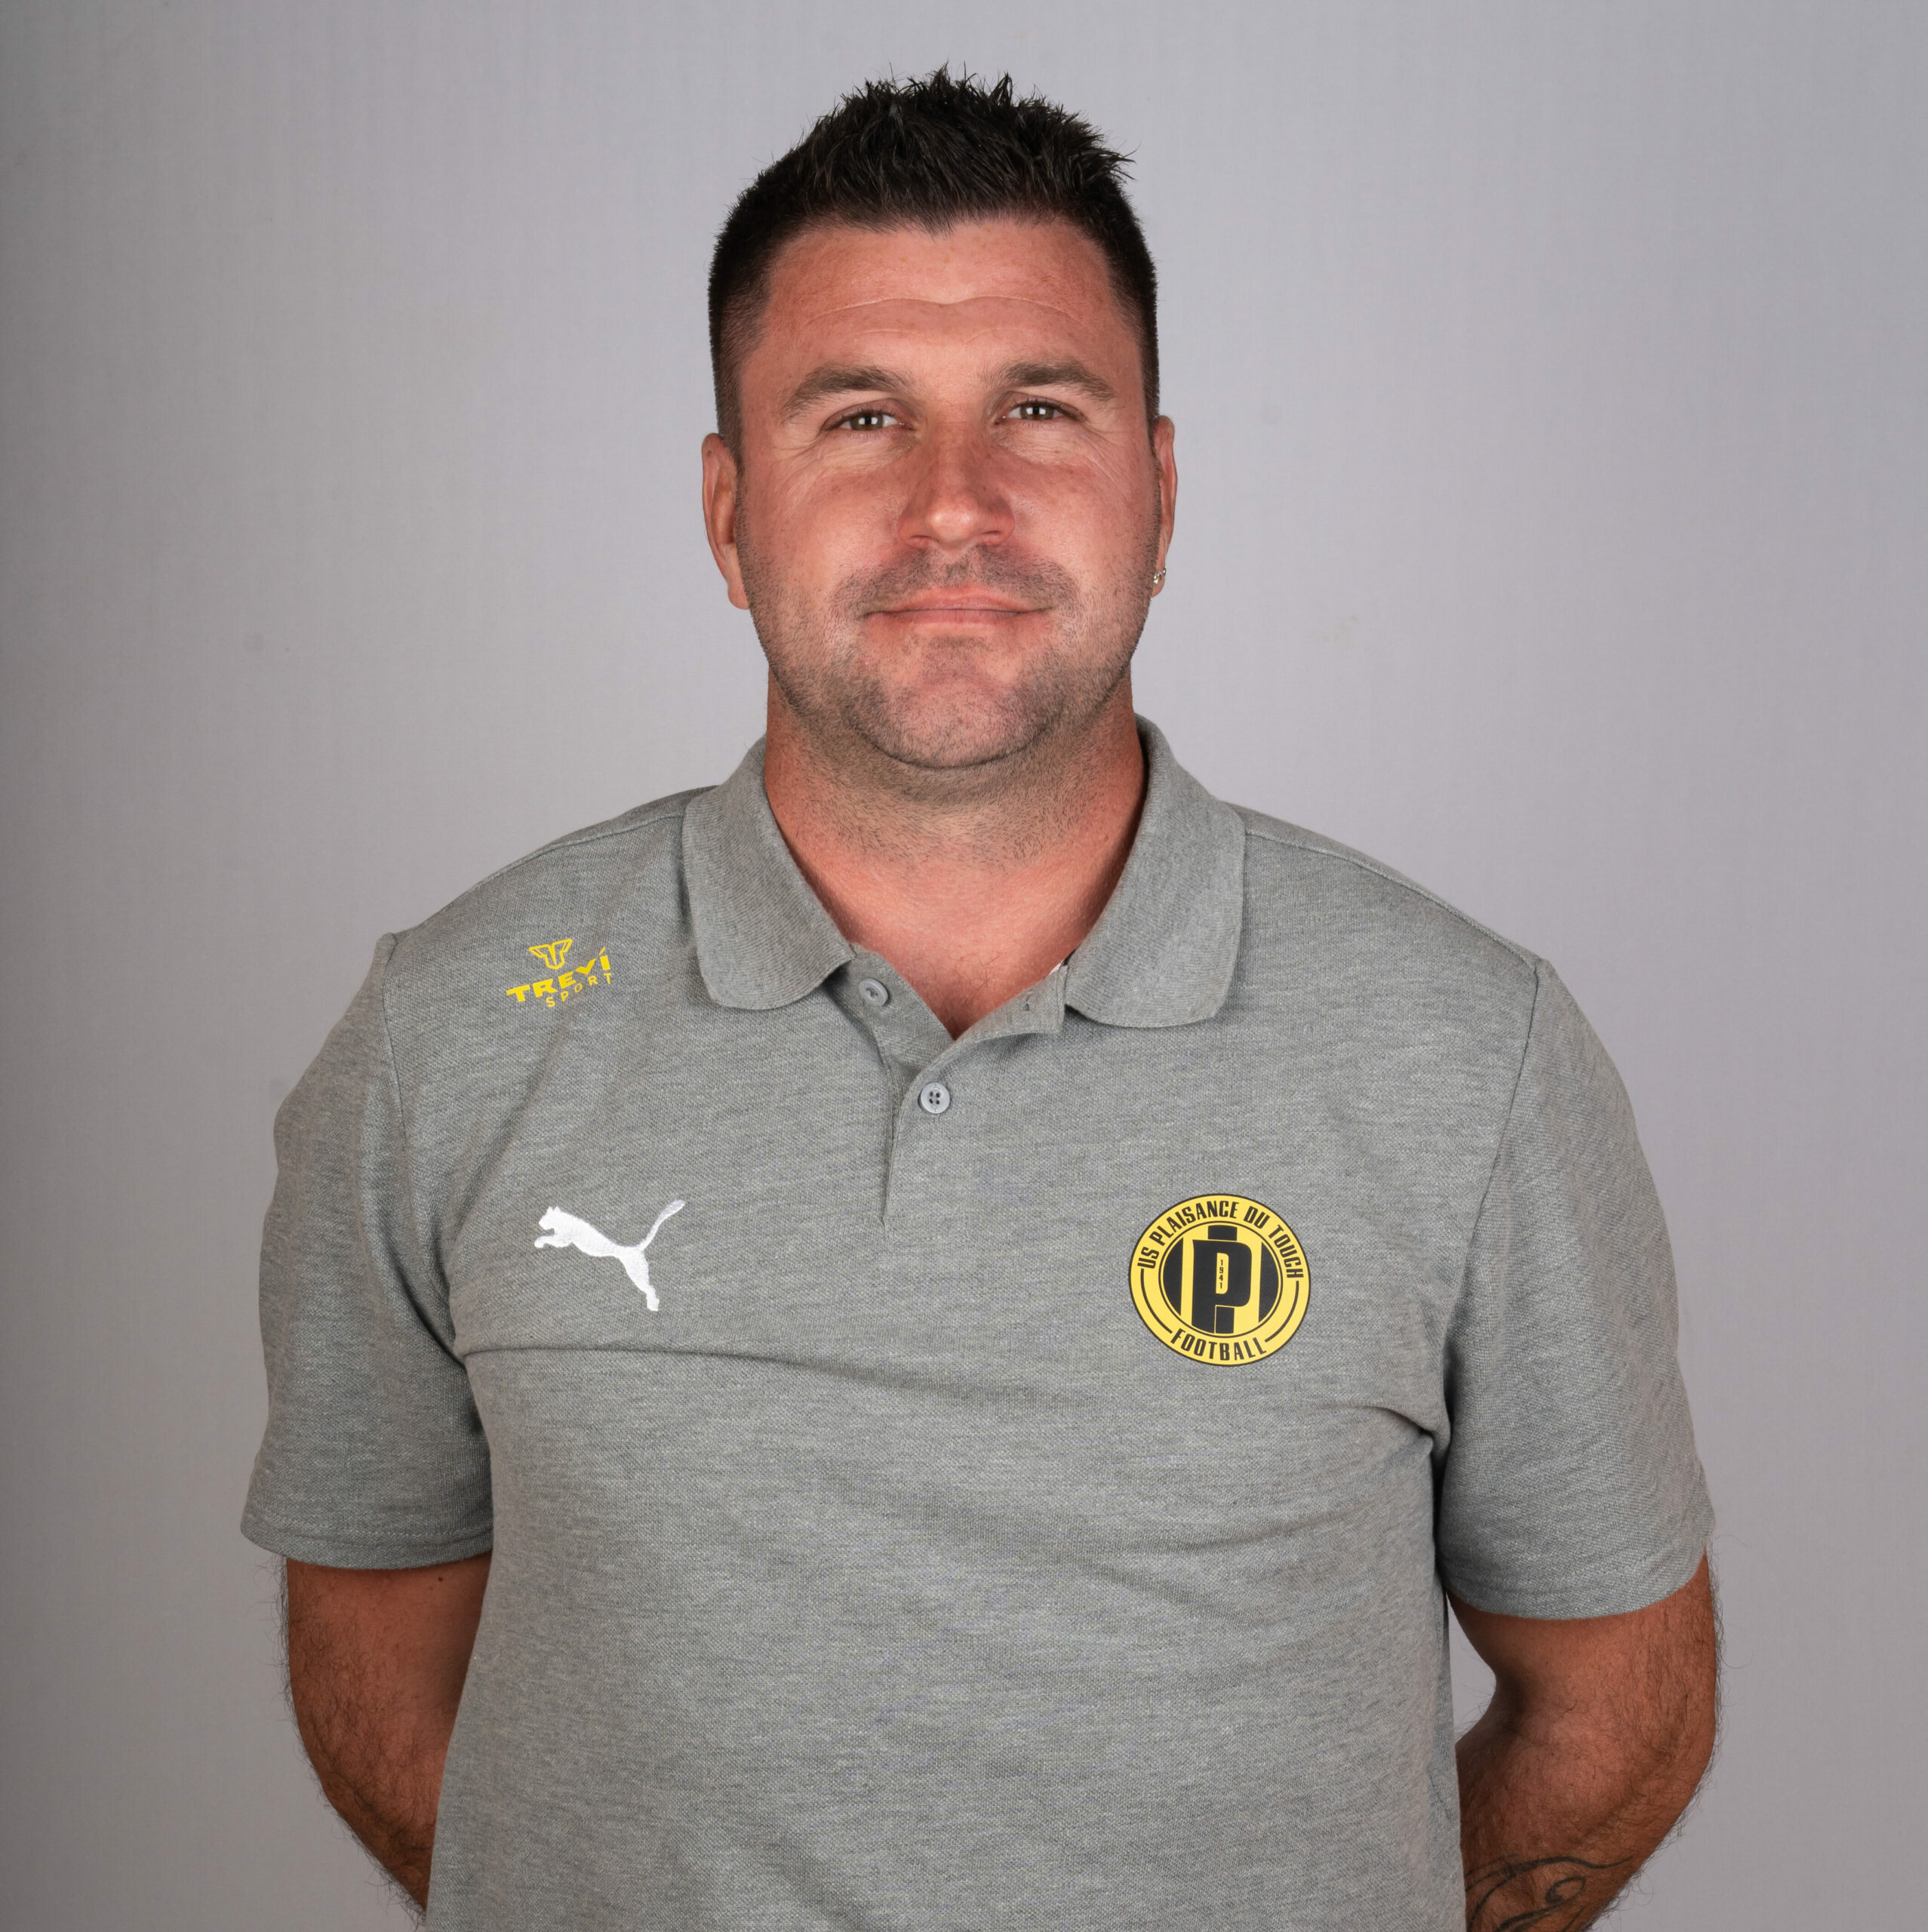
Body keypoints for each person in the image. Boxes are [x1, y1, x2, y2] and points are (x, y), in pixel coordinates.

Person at [244, 70, 1717, 1932]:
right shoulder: (449, 1036)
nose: (956, 503)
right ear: (729, 512)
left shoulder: (1469, 1053)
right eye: (861, 415)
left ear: (1158, 493)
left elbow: (1614, 1707)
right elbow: (377, 1645)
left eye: (1040, 407)